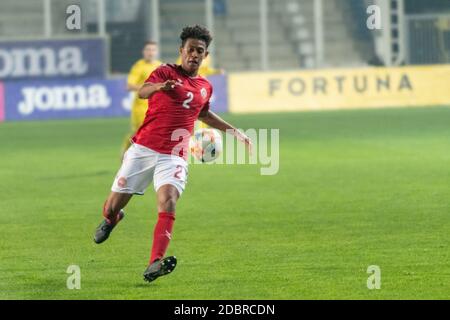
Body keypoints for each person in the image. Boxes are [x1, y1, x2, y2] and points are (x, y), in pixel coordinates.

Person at [93, 25, 252, 283]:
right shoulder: (164, 71)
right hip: (144, 148)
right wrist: (158, 88)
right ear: (181, 51)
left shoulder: (204, 86)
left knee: (168, 200)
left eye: (200, 51)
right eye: (190, 50)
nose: (194, 55)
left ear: (205, 55)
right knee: (112, 206)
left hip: (175, 154)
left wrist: (236, 133)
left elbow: (203, 114)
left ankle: (154, 262)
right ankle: (112, 219)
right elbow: (143, 91)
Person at [122, 41, 162, 156]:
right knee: (138, 133)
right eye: (148, 50)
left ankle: (149, 159)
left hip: (155, 107)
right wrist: (151, 87)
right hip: (140, 107)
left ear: (157, 52)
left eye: (153, 50)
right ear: (143, 52)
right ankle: (125, 153)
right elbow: (129, 86)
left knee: (156, 133)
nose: (150, 52)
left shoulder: (160, 65)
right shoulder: (139, 66)